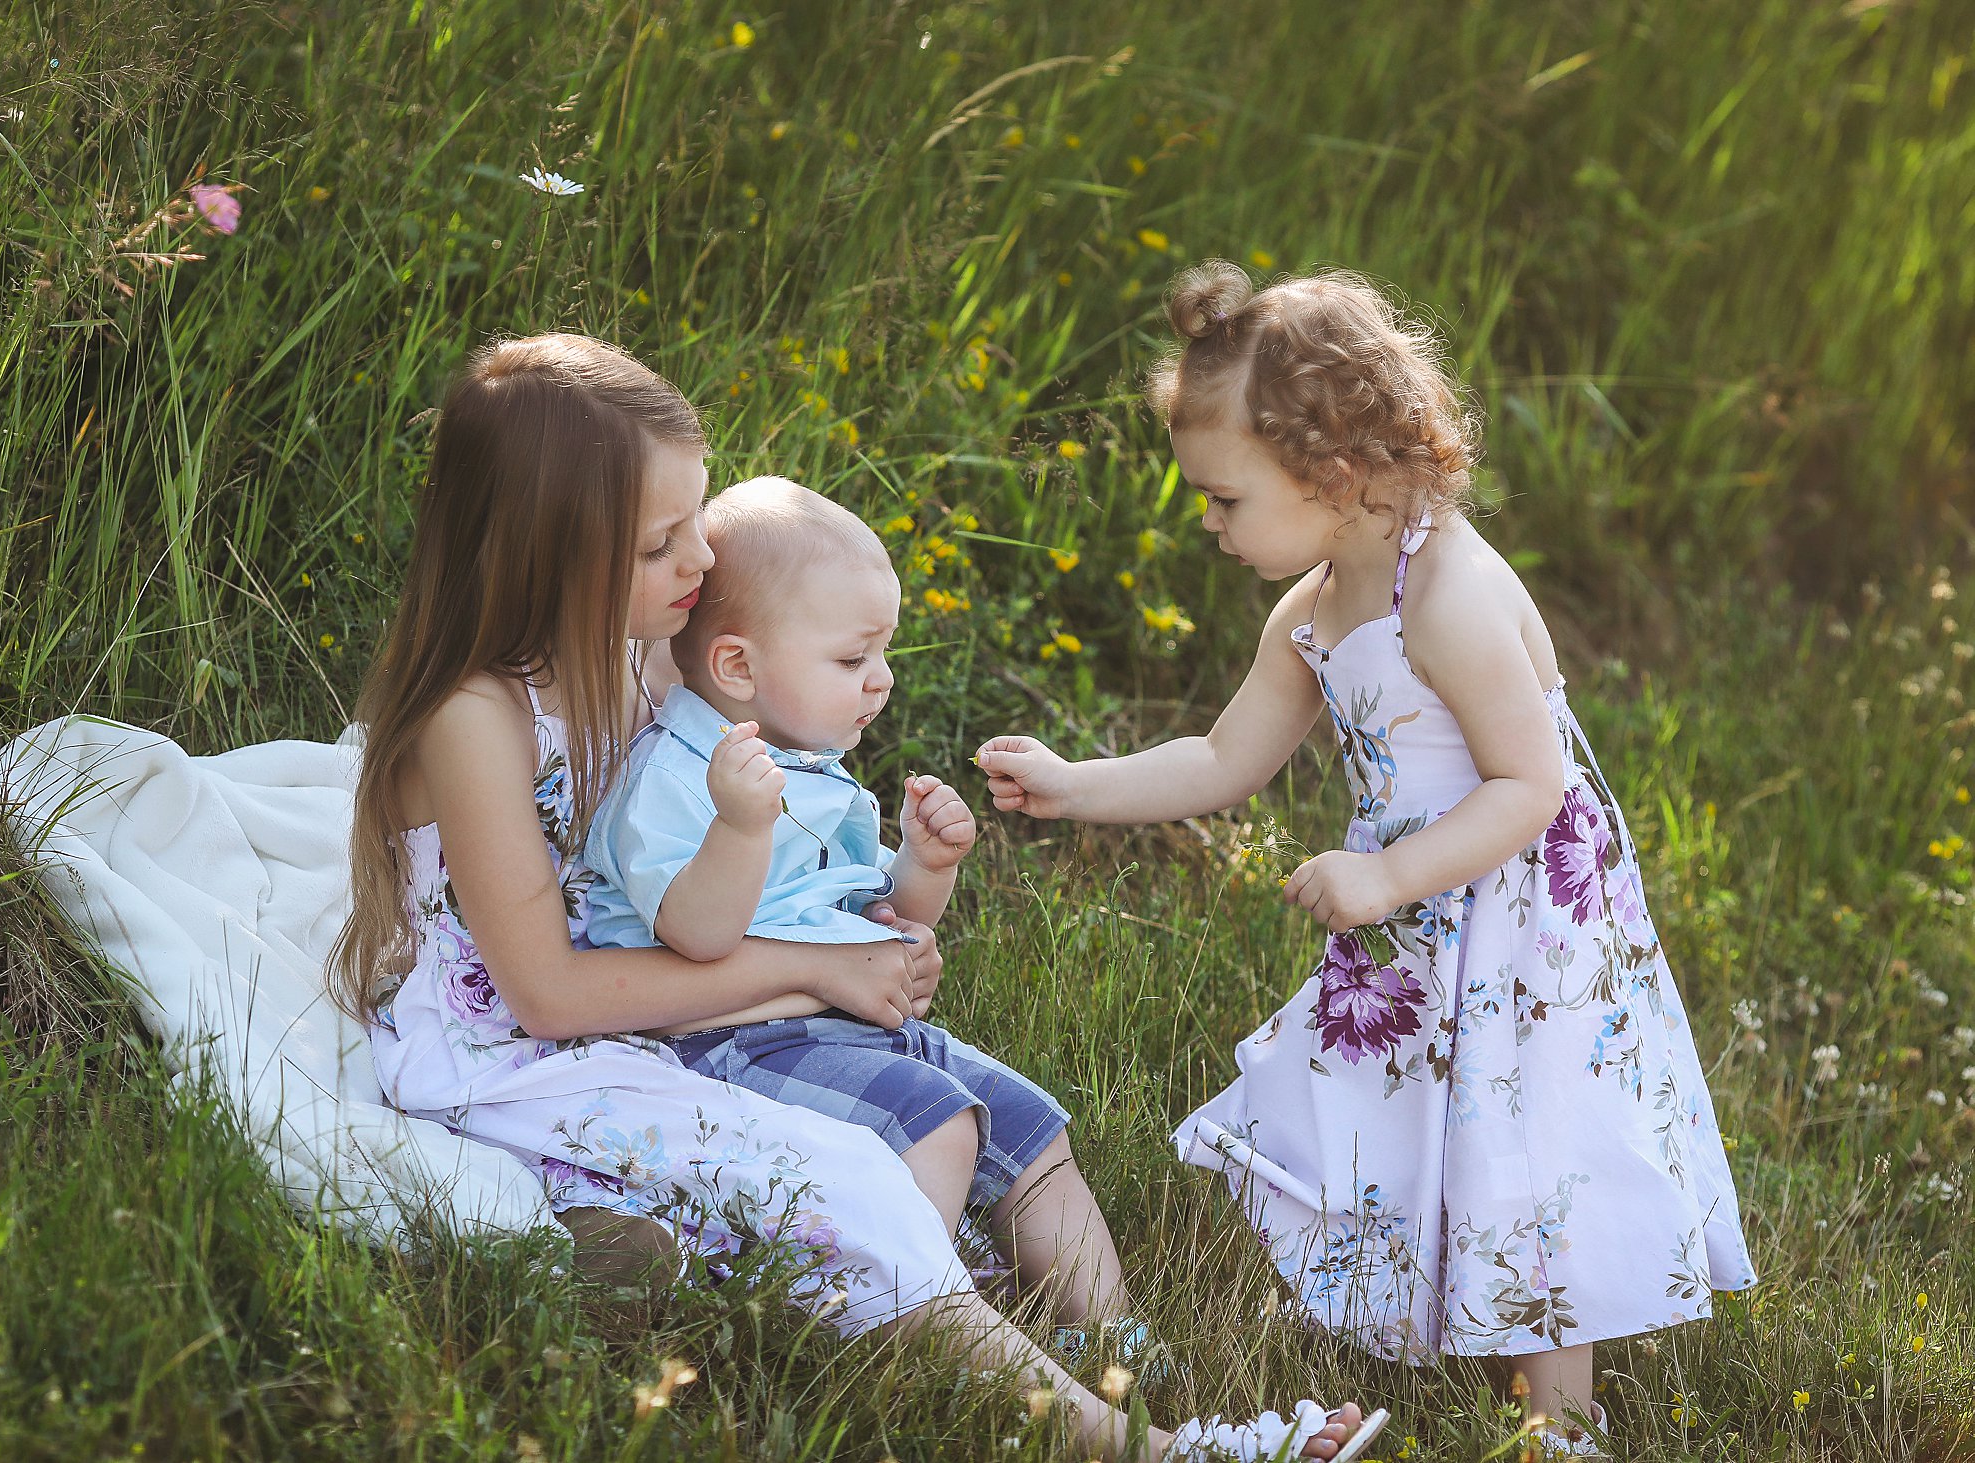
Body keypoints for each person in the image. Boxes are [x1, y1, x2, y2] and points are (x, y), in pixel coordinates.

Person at [329, 332, 1378, 1461]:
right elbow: (543, 994)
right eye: (659, 543)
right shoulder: (474, 719)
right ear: (547, 553)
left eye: (696, 520)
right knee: (852, 1177)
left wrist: (879, 895)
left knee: (978, 1126)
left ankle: (1078, 1343)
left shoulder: (641, 657)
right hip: (521, 1043)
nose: (696, 559)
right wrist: (811, 967)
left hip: (674, 996)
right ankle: (1149, 1445)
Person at [976, 263, 1755, 1454]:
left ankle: (1559, 1419)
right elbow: (1223, 753)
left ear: (1329, 473)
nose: (1209, 522)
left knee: (1524, 1136)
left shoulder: (1443, 593)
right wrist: (1075, 786)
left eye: (1224, 498)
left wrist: (1384, 876)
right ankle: (1439, 1310)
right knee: (1411, 1120)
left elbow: (1528, 785)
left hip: (1519, 920)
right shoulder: (1315, 605)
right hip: (1426, 916)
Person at [580, 474, 1155, 1371]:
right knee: (936, 1121)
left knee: (1029, 1128)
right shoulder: (674, 777)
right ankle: (894, 1330)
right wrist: (739, 827)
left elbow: (875, 924)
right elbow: (694, 935)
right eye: (853, 661)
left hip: (839, 1028)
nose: (881, 681)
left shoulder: (810, 767)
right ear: (738, 666)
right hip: (725, 1044)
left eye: (881, 654)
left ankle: (1120, 1350)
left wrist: (922, 871)